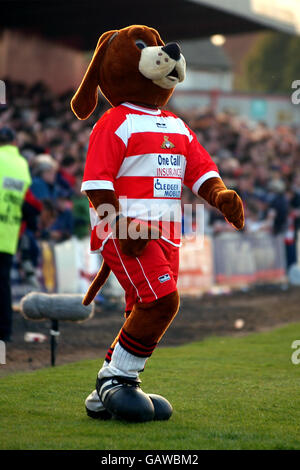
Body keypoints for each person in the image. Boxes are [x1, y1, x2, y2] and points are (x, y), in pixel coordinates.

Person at [0, 127, 32, 341]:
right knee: (3, 284)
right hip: (9, 231)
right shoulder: (21, 164)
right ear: (14, 142)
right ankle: (5, 332)